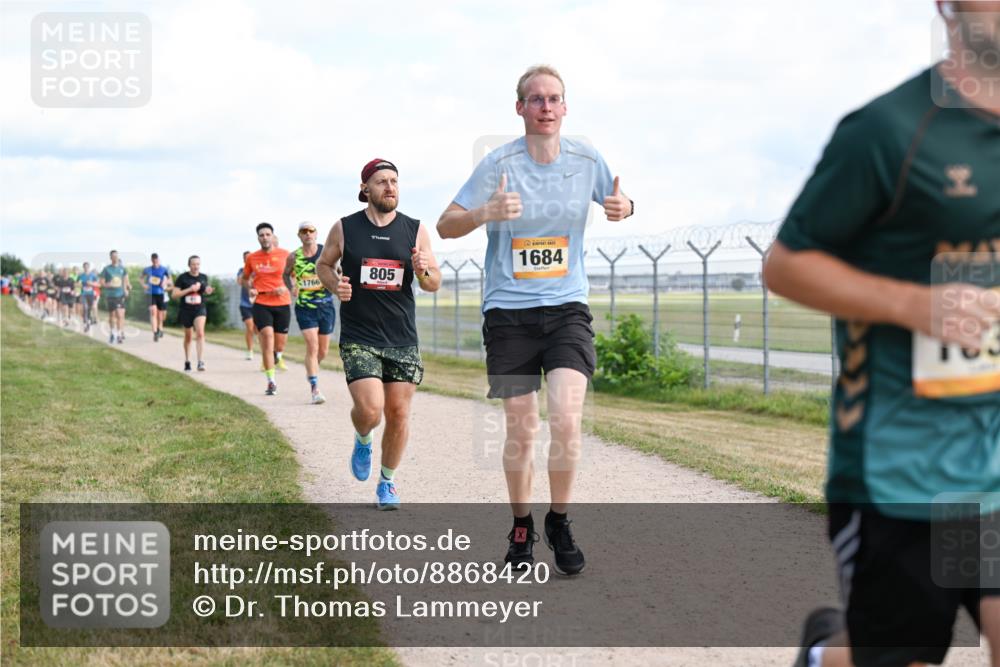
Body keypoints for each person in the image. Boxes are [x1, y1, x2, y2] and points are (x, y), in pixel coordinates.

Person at [762, 3, 1000, 666]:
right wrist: (913, 304)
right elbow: (785, 265)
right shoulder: (890, 132)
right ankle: (824, 654)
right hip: (902, 475)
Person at [437, 65, 632, 574]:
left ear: (565, 107)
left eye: (554, 98)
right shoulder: (498, 164)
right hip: (508, 314)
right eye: (536, 99)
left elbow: (619, 199)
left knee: (566, 419)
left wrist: (624, 207)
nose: (546, 107)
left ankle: (559, 520)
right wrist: (485, 213)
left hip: (567, 309)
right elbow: (445, 224)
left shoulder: (586, 159)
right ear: (520, 108)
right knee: (523, 429)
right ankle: (521, 526)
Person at [317, 158, 441, 509]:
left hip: (402, 337)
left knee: (399, 413)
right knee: (371, 410)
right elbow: (324, 265)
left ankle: (387, 483)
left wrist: (423, 271)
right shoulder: (345, 228)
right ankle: (363, 438)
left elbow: (432, 283)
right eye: (382, 181)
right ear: (365, 189)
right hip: (360, 335)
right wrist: (335, 286)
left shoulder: (415, 229)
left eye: (394, 181)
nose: (390, 187)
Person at [285, 221, 337, 404]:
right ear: (299, 235)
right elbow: (285, 274)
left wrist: (337, 281)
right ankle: (315, 388)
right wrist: (291, 286)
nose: (307, 234)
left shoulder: (326, 252)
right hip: (305, 307)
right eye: (303, 231)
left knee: (322, 351)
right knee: (312, 346)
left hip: (326, 306)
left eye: (310, 231)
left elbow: (338, 270)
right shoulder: (293, 256)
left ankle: (312, 368)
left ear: (316, 234)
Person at [242, 223, 291, 395]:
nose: (264, 237)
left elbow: (295, 277)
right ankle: (271, 382)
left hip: (282, 303)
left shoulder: (286, 255)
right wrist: (250, 288)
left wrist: (285, 287)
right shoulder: (252, 258)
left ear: (272, 236)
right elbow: (245, 278)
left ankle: (277, 355)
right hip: (262, 303)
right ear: (258, 238)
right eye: (261, 235)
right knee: (267, 338)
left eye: (267, 234)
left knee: (279, 344)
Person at [171, 255, 214, 371]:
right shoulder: (182, 278)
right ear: (189, 265)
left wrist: (208, 290)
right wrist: (190, 289)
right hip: (186, 309)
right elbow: (174, 295)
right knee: (188, 336)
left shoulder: (203, 277)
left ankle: (200, 362)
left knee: (200, 333)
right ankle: (187, 361)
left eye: (198, 264)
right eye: (193, 264)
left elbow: (205, 289)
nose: (196, 266)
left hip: (200, 308)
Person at [100, 250, 131, 344]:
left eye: (116, 256)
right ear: (110, 258)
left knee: (120, 314)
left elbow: (125, 281)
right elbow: (101, 282)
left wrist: (126, 289)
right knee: (112, 315)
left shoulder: (122, 269)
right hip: (110, 295)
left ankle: (119, 334)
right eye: (113, 256)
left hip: (120, 295)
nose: (115, 258)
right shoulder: (106, 269)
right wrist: (107, 284)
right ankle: (112, 332)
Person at [141, 253, 172, 341]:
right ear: (151, 260)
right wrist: (144, 285)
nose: (155, 262)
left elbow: (170, 280)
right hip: (150, 294)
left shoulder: (164, 269)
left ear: (158, 260)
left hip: (160, 294)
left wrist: (165, 282)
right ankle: (155, 333)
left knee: (160, 314)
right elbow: (141, 278)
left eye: (156, 260)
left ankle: (160, 328)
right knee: (153, 312)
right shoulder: (147, 269)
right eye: (153, 261)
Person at [236, 251, 256, 361]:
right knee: (249, 326)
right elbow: (239, 282)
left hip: (258, 303)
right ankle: (250, 350)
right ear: (244, 260)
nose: (248, 259)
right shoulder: (241, 270)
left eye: (250, 257)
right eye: (246, 258)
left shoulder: (258, 270)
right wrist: (246, 274)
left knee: (257, 329)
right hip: (245, 303)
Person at [77, 262, 98, 333]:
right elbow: (76, 284)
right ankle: (86, 324)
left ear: (89, 267)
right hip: (83, 294)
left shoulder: (93, 275)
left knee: (89, 309)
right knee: (85, 307)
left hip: (91, 294)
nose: (86, 268)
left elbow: (98, 284)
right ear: (83, 267)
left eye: (87, 267)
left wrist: (91, 283)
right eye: (85, 267)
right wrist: (79, 285)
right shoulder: (81, 275)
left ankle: (88, 321)